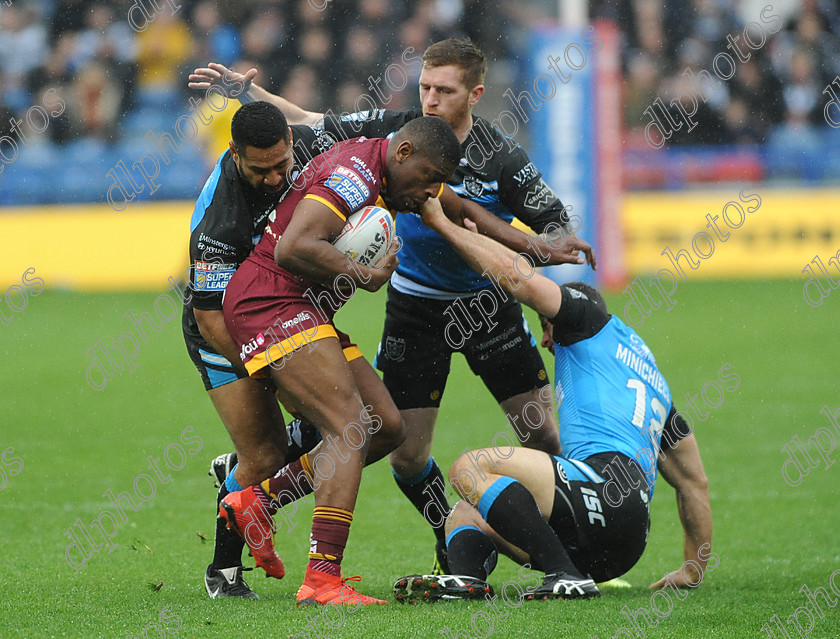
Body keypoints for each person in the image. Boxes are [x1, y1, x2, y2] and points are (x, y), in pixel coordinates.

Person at [190, 38, 580, 573]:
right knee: (393, 446)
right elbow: (310, 120)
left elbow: (493, 215)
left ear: (475, 94)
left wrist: (545, 279)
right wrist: (250, 93)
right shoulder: (391, 132)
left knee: (536, 433)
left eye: (444, 90)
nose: (431, 99)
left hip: (488, 307)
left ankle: (569, 554)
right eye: (425, 87)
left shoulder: (501, 154)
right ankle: (442, 538)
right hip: (409, 308)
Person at [392, 199, 712, 601]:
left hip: (601, 494)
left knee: (469, 469)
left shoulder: (586, 321)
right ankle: (470, 582)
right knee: (464, 511)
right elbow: (693, 481)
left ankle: (563, 574)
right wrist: (693, 568)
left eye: (546, 327)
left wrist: (444, 225)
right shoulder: (652, 381)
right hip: (625, 541)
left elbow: (519, 279)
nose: (545, 340)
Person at [219, 116, 472, 606]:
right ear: (403, 154)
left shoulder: (375, 172)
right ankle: (321, 579)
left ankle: (260, 501)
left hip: (301, 306)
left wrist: (529, 245)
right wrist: (365, 274)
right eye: (427, 179)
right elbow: (294, 246)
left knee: (386, 427)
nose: (429, 193)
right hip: (272, 302)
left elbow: (456, 209)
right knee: (351, 426)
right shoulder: (355, 173)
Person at [183, 101, 401, 599]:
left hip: (292, 315)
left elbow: (372, 127)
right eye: (262, 170)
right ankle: (224, 571)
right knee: (264, 453)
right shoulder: (221, 219)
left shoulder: (306, 142)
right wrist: (270, 374)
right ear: (235, 155)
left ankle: (247, 478)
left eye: (283, 165)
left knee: (371, 425)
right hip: (223, 331)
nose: (276, 177)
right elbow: (209, 317)